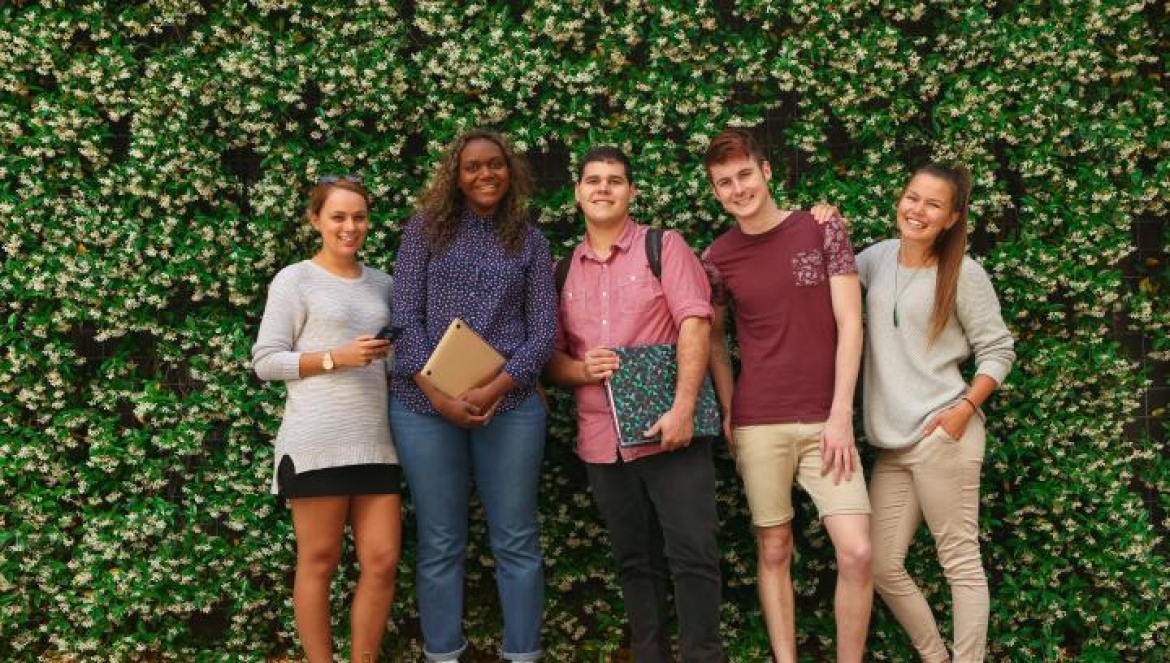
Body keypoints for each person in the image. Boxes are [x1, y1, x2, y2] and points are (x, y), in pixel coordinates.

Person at [545, 146, 724, 662]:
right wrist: (580, 370)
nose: (603, 188)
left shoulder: (662, 247)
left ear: (631, 192)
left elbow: (694, 321)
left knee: (694, 556)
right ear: (577, 192)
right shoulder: (563, 271)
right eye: (593, 180)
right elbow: (552, 359)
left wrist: (685, 406)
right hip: (603, 443)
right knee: (632, 562)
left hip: (671, 430)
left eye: (615, 180)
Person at [702, 128, 872, 662]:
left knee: (858, 552)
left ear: (766, 171)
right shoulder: (717, 258)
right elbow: (712, 338)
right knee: (774, 548)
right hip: (759, 421)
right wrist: (729, 408)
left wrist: (842, 412)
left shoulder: (822, 230)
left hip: (828, 421)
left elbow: (851, 324)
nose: (738, 188)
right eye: (724, 183)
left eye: (745, 175)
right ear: (715, 192)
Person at [389, 129, 556, 663]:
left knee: (516, 540)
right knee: (439, 542)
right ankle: (443, 654)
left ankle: (522, 654)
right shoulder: (424, 231)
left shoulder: (530, 240)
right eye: (473, 167)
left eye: (495, 165)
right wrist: (441, 398)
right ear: (455, 177)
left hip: (508, 406)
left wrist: (498, 386)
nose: (486, 175)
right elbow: (405, 322)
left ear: (511, 171)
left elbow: (543, 332)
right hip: (425, 408)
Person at [858, 164, 1015, 663]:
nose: (917, 210)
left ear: (951, 217)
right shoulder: (878, 259)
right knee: (881, 566)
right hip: (892, 443)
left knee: (960, 563)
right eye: (911, 197)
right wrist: (821, 223)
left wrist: (964, 409)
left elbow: (999, 351)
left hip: (944, 434)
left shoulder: (964, 273)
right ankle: (935, 656)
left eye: (932, 204)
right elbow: (823, 271)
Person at [252, 175, 402, 663]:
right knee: (319, 562)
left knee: (382, 562)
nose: (350, 226)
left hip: (377, 443)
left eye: (359, 216)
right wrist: (334, 357)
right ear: (315, 219)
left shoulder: (385, 283)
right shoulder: (295, 279)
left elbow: (394, 364)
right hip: (317, 443)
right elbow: (266, 361)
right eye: (338, 216)